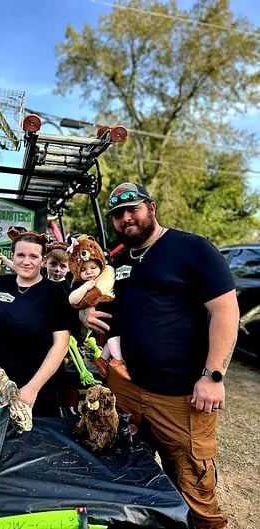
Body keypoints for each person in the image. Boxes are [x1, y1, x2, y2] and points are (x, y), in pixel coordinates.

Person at [81, 181, 239, 529]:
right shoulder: (119, 261)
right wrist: (85, 315)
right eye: (118, 215)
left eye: (132, 209)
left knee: (193, 488)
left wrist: (213, 376)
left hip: (181, 396)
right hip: (128, 388)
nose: (125, 219)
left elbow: (226, 311)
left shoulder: (191, 248)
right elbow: (111, 310)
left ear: (151, 207)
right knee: (131, 473)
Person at [0, 230, 71, 417]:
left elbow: (61, 345)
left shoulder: (55, 294)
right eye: (20, 255)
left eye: (33, 256)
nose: (26, 261)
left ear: (43, 261)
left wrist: (32, 388)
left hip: (33, 391)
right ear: (13, 256)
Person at [68, 246, 130, 380]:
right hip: (103, 311)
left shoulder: (105, 274)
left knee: (115, 333)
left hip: (114, 310)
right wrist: (85, 290)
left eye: (93, 268)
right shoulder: (80, 283)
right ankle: (118, 360)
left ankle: (103, 358)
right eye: (83, 270)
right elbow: (73, 300)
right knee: (114, 332)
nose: (89, 272)